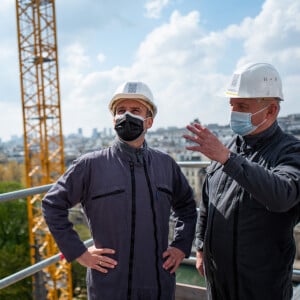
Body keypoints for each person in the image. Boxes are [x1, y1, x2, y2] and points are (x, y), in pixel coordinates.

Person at [42, 81, 197, 300]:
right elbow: (52, 204)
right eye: (120, 111)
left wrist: (181, 245)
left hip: (158, 283)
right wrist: (79, 252)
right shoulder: (90, 165)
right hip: (110, 285)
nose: (126, 116)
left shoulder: (165, 164)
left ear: (149, 121)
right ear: (113, 119)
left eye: (135, 111)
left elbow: (187, 207)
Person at [183, 62, 300, 300]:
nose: (234, 112)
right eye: (232, 105)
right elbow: (208, 201)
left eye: (243, 106)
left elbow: (282, 196)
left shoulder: (291, 151)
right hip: (219, 282)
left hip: (261, 285)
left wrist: (228, 159)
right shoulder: (228, 147)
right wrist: (201, 248)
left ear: (271, 111)